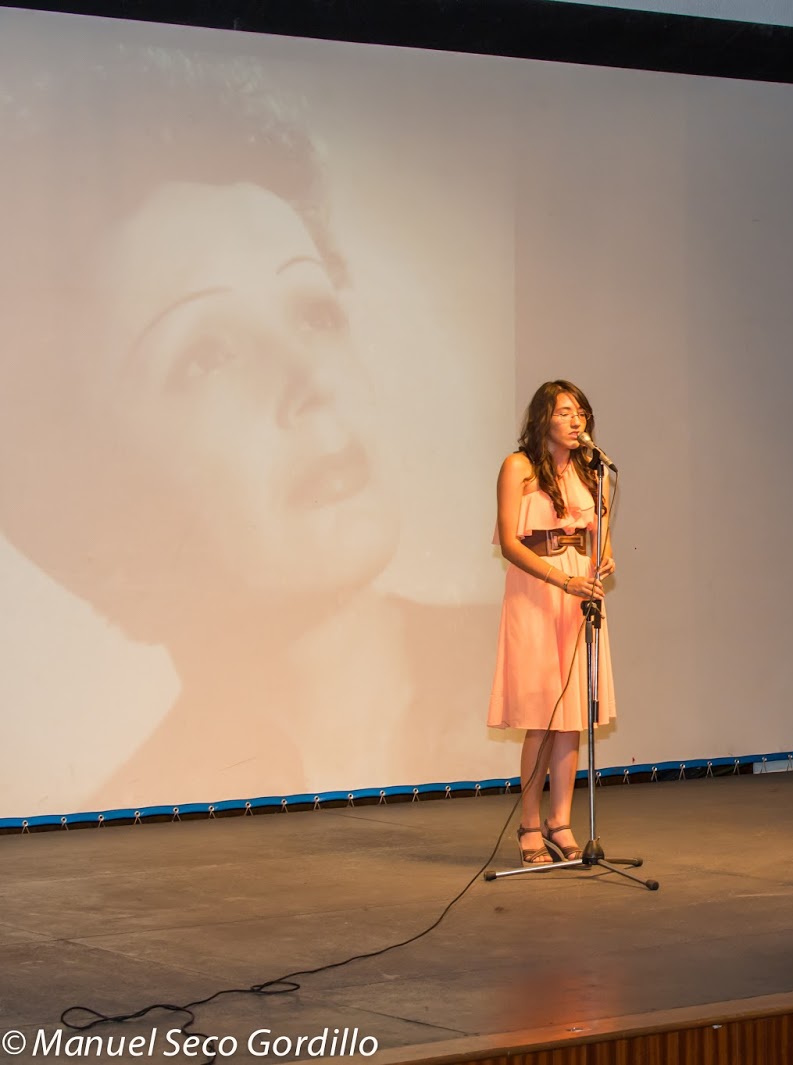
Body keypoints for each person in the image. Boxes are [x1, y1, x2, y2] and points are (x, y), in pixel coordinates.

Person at [0, 39, 497, 807]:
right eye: (206, 356)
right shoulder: (123, 835)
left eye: (315, 312)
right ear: (95, 496)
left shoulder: (568, 675)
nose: (311, 379)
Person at [487, 381, 616, 864]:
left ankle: (560, 823)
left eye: (580, 411)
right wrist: (562, 581)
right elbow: (509, 542)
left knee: (572, 716)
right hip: (537, 589)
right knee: (542, 713)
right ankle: (529, 825)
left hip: (580, 589)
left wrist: (604, 559)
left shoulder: (592, 471)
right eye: (564, 412)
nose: (575, 420)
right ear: (543, 418)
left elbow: (600, 535)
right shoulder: (518, 466)